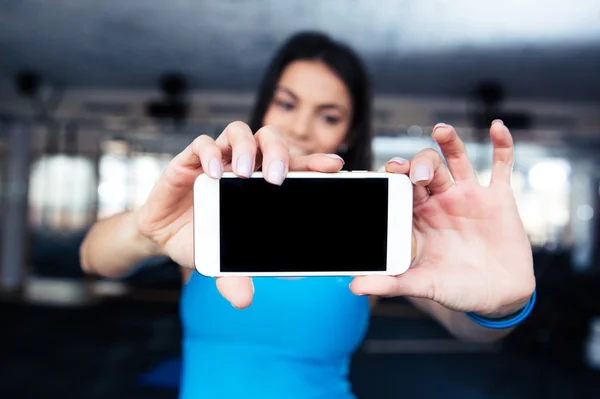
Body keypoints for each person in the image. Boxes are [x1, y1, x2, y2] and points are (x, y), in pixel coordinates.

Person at [80, 32, 536, 399]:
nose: (300, 126)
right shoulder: (206, 211)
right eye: (287, 103)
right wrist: (148, 231)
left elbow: (474, 331)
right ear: (263, 106)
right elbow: (93, 259)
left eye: (329, 114)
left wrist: (505, 305)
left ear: (350, 130)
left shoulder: (380, 232)